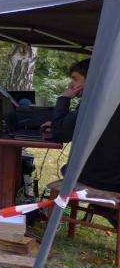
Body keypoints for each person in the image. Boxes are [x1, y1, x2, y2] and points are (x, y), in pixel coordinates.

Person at [42, 57, 120, 227]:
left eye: (75, 79)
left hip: (97, 179)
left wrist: (64, 98)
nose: (71, 83)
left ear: (90, 79)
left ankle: (103, 209)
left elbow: (60, 134)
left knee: (67, 170)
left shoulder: (93, 102)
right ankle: (105, 211)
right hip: (116, 179)